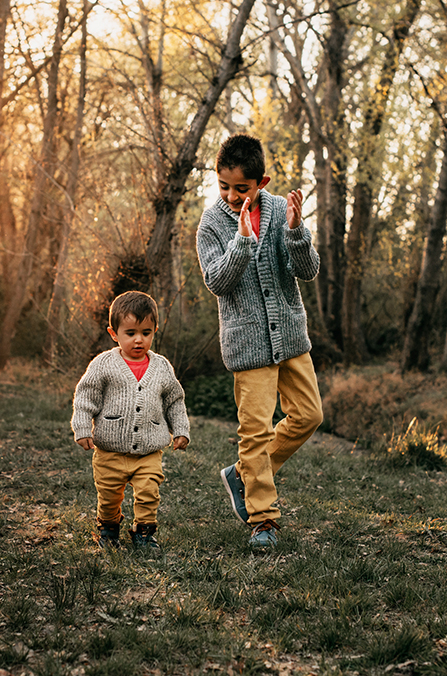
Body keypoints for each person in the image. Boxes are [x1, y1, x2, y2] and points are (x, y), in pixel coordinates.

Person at [195, 132, 324, 550]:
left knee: (308, 415)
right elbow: (217, 281)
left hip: (289, 334)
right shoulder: (211, 224)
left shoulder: (279, 211)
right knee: (254, 432)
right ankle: (262, 520)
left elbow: (307, 271)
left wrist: (295, 231)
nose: (232, 196)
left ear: (261, 183)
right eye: (224, 186)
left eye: (242, 188)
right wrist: (243, 241)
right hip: (248, 345)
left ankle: (242, 474)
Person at [71, 290, 190, 550]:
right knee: (109, 495)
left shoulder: (161, 367)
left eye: (146, 333)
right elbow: (85, 397)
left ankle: (144, 533)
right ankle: (108, 528)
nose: (139, 340)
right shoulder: (104, 364)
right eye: (130, 333)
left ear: (155, 330)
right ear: (114, 334)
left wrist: (180, 429)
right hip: (109, 450)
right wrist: (82, 427)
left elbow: (174, 400)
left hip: (149, 450)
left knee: (149, 492)